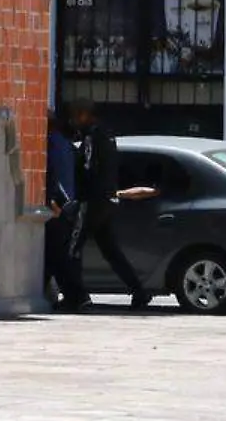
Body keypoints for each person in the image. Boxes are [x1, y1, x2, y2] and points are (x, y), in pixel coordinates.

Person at [67, 98, 151, 310]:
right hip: (108, 199)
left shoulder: (91, 136)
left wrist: (78, 194)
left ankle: (77, 297)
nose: (73, 121)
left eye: (75, 116)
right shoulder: (107, 135)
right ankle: (139, 291)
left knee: (72, 248)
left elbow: (87, 168)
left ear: (84, 115)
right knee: (110, 250)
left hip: (91, 200)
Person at [43, 108, 82, 309]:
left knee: (55, 255)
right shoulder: (65, 144)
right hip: (69, 205)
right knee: (56, 254)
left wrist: (52, 200)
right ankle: (71, 296)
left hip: (57, 206)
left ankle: (76, 296)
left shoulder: (49, 145)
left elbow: (50, 174)